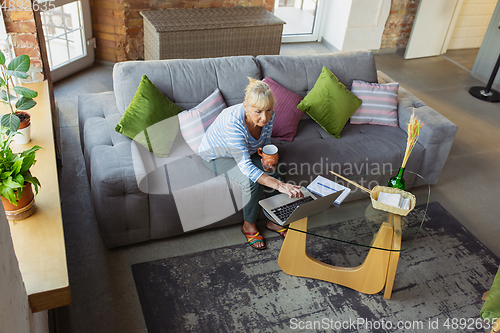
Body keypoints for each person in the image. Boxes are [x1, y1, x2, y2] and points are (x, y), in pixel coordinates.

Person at [199, 78, 303, 250]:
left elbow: (265, 140)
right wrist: (279, 186)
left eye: (269, 110)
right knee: (251, 181)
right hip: (218, 155)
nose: (264, 117)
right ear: (245, 107)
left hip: (246, 150)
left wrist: (266, 160)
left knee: (277, 171)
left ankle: (274, 221)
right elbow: (246, 167)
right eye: (258, 112)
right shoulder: (233, 123)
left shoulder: (269, 116)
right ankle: (248, 225)